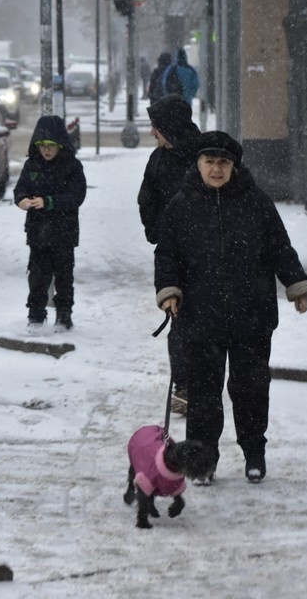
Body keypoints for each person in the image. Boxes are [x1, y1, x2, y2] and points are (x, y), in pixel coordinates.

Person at [154, 131, 307, 485]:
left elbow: (279, 248)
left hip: (251, 317)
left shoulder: (256, 202)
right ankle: (203, 461)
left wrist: (296, 285)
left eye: (223, 163)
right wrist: (169, 291)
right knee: (203, 396)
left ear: (234, 167)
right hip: (199, 318)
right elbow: (167, 255)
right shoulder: (181, 206)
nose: (216, 169)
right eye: (209, 162)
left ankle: (254, 452)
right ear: (198, 165)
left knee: (251, 390)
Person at [138, 93, 202, 416]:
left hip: (206, 257)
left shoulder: (205, 157)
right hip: (171, 256)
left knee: (208, 321)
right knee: (178, 319)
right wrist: (159, 233)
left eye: (155, 126)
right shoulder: (158, 160)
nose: (152, 133)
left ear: (169, 127)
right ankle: (185, 386)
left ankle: (204, 383)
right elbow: (145, 200)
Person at [14, 116, 87, 335]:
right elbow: (20, 189)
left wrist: (50, 202)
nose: (46, 151)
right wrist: (23, 200)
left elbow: (76, 195)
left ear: (60, 146)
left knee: (64, 275)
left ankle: (64, 314)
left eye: (51, 146)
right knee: (38, 275)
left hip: (64, 232)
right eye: (43, 146)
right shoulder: (32, 165)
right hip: (38, 232)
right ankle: (36, 313)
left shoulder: (72, 166)